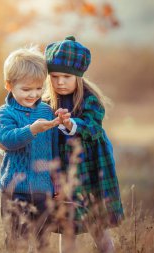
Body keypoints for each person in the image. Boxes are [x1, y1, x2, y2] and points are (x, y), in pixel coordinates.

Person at [43, 35, 124, 253]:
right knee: (66, 224)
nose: (60, 82)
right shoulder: (47, 103)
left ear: (78, 76)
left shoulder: (90, 99)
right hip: (63, 171)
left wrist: (70, 123)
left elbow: (92, 126)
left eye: (67, 76)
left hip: (91, 168)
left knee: (97, 222)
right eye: (55, 76)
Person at [0, 46, 68, 251]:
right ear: (9, 86)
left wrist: (57, 183)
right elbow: (6, 140)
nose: (33, 94)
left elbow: (53, 149)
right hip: (15, 191)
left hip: (43, 191)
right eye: (26, 89)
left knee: (42, 242)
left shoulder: (45, 109)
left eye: (38, 88)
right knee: (17, 242)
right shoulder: (4, 113)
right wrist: (31, 130)